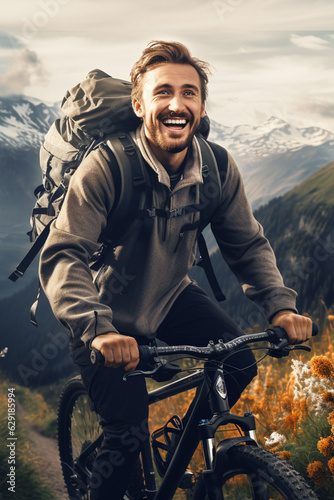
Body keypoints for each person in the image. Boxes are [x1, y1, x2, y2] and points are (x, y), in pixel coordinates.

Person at [39, 41, 313, 499]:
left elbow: (246, 244)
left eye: (189, 93)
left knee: (239, 363)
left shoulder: (217, 168)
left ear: (201, 107)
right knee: (125, 437)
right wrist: (99, 330)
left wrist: (280, 306)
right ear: (139, 103)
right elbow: (64, 253)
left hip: (169, 294)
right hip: (100, 309)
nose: (176, 103)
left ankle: (179, 445)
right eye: (163, 91)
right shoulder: (107, 167)